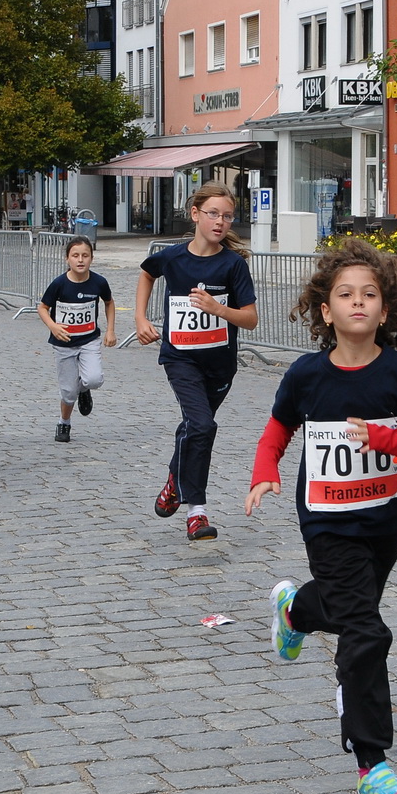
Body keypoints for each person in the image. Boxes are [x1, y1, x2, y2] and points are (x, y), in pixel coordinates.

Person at [245, 239, 397, 794]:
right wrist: (265, 472)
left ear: (385, 310)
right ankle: (372, 767)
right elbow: (277, 430)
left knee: (347, 610)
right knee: (365, 631)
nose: (357, 302)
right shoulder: (307, 374)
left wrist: (389, 440)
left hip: (385, 521)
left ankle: (296, 610)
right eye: (345, 294)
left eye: (369, 294)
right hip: (326, 521)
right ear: (325, 310)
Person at [135, 182, 259, 541]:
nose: (220, 222)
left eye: (227, 216)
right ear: (195, 214)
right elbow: (147, 273)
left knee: (194, 427)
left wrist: (218, 309)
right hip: (180, 358)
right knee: (202, 426)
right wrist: (140, 318)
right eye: (213, 214)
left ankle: (175, 479)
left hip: (220, 365)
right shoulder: (174, 257)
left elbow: (250, 319)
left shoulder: (233, 264)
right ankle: (197, 513)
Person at [38, 235, 116, 442]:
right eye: (75, 255)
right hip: (64, 343)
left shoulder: (99, 282)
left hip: (89, 339)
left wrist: (110, 330)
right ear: (67, 259)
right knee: (68, 392)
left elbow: (109, 302)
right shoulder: (59, 284)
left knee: (94, 379)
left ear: (91, 258)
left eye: (85, 255)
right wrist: (53, 326)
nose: (80, 260)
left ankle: (84, 388)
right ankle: (64, 422)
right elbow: (43, 307)